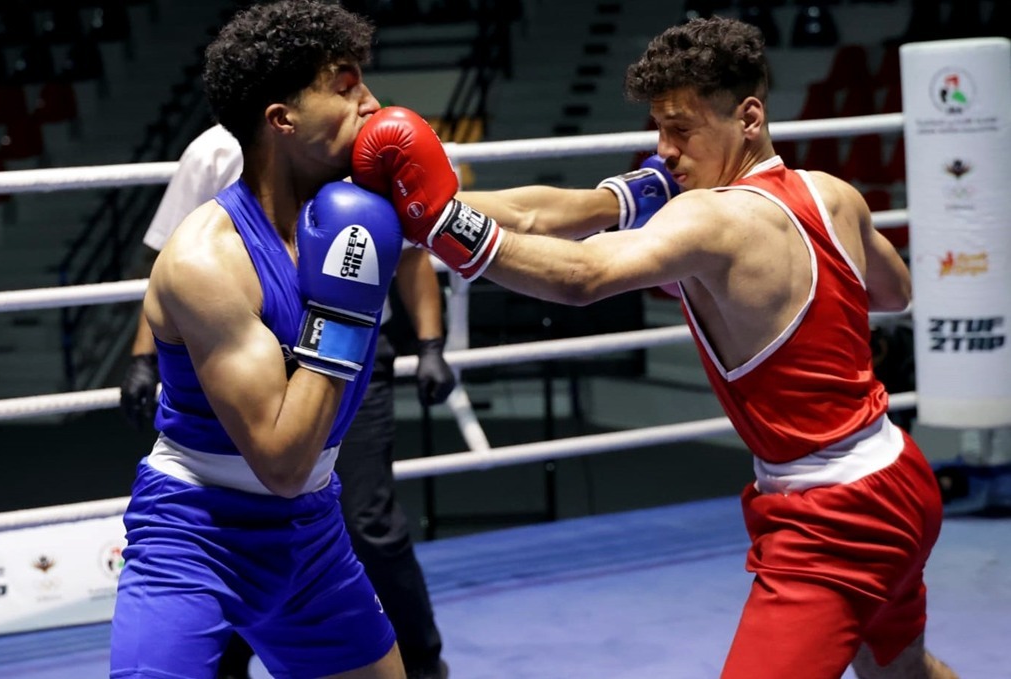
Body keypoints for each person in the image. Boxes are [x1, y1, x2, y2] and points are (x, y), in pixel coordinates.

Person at [350, 15, 960, 679]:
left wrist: (447, 226)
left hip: (836, 514)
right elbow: (893, 291)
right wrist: (424, 208)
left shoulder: (710, 218)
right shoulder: (831, 193)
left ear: (748, 118)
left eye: (681, 130)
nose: (664, 150)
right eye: (658, 128)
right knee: (901, 669)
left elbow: (583, 276)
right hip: (898, 472)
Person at [109, 2, 415, 677]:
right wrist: (345, 308)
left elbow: (516, 218)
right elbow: (280, 461)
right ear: (283, 120)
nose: (371, 104)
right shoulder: (205, 260)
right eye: (345, 88)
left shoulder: (351, 214)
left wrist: (626, 198)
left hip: (312, 532)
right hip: (198, 535)